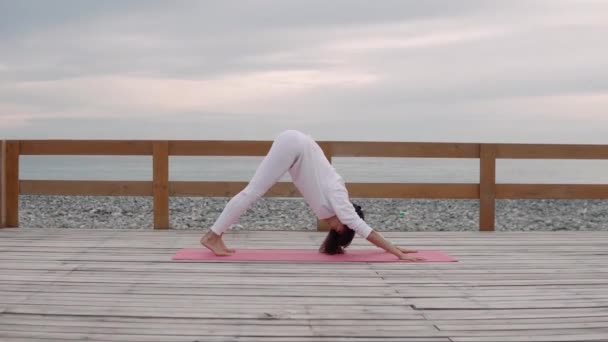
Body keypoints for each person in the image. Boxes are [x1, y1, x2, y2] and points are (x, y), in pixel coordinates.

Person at [200, 130, 425, 261]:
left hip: (298, 146)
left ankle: (215, 235)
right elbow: (365, 230)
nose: (331, 226)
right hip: (295, 145)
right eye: (337, 228)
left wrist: (394, 247)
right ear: (341, 227)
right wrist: (397, 252)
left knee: (253, 192)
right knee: (253, 192)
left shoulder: (334, 204)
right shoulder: (340, 202)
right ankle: (212, 236)